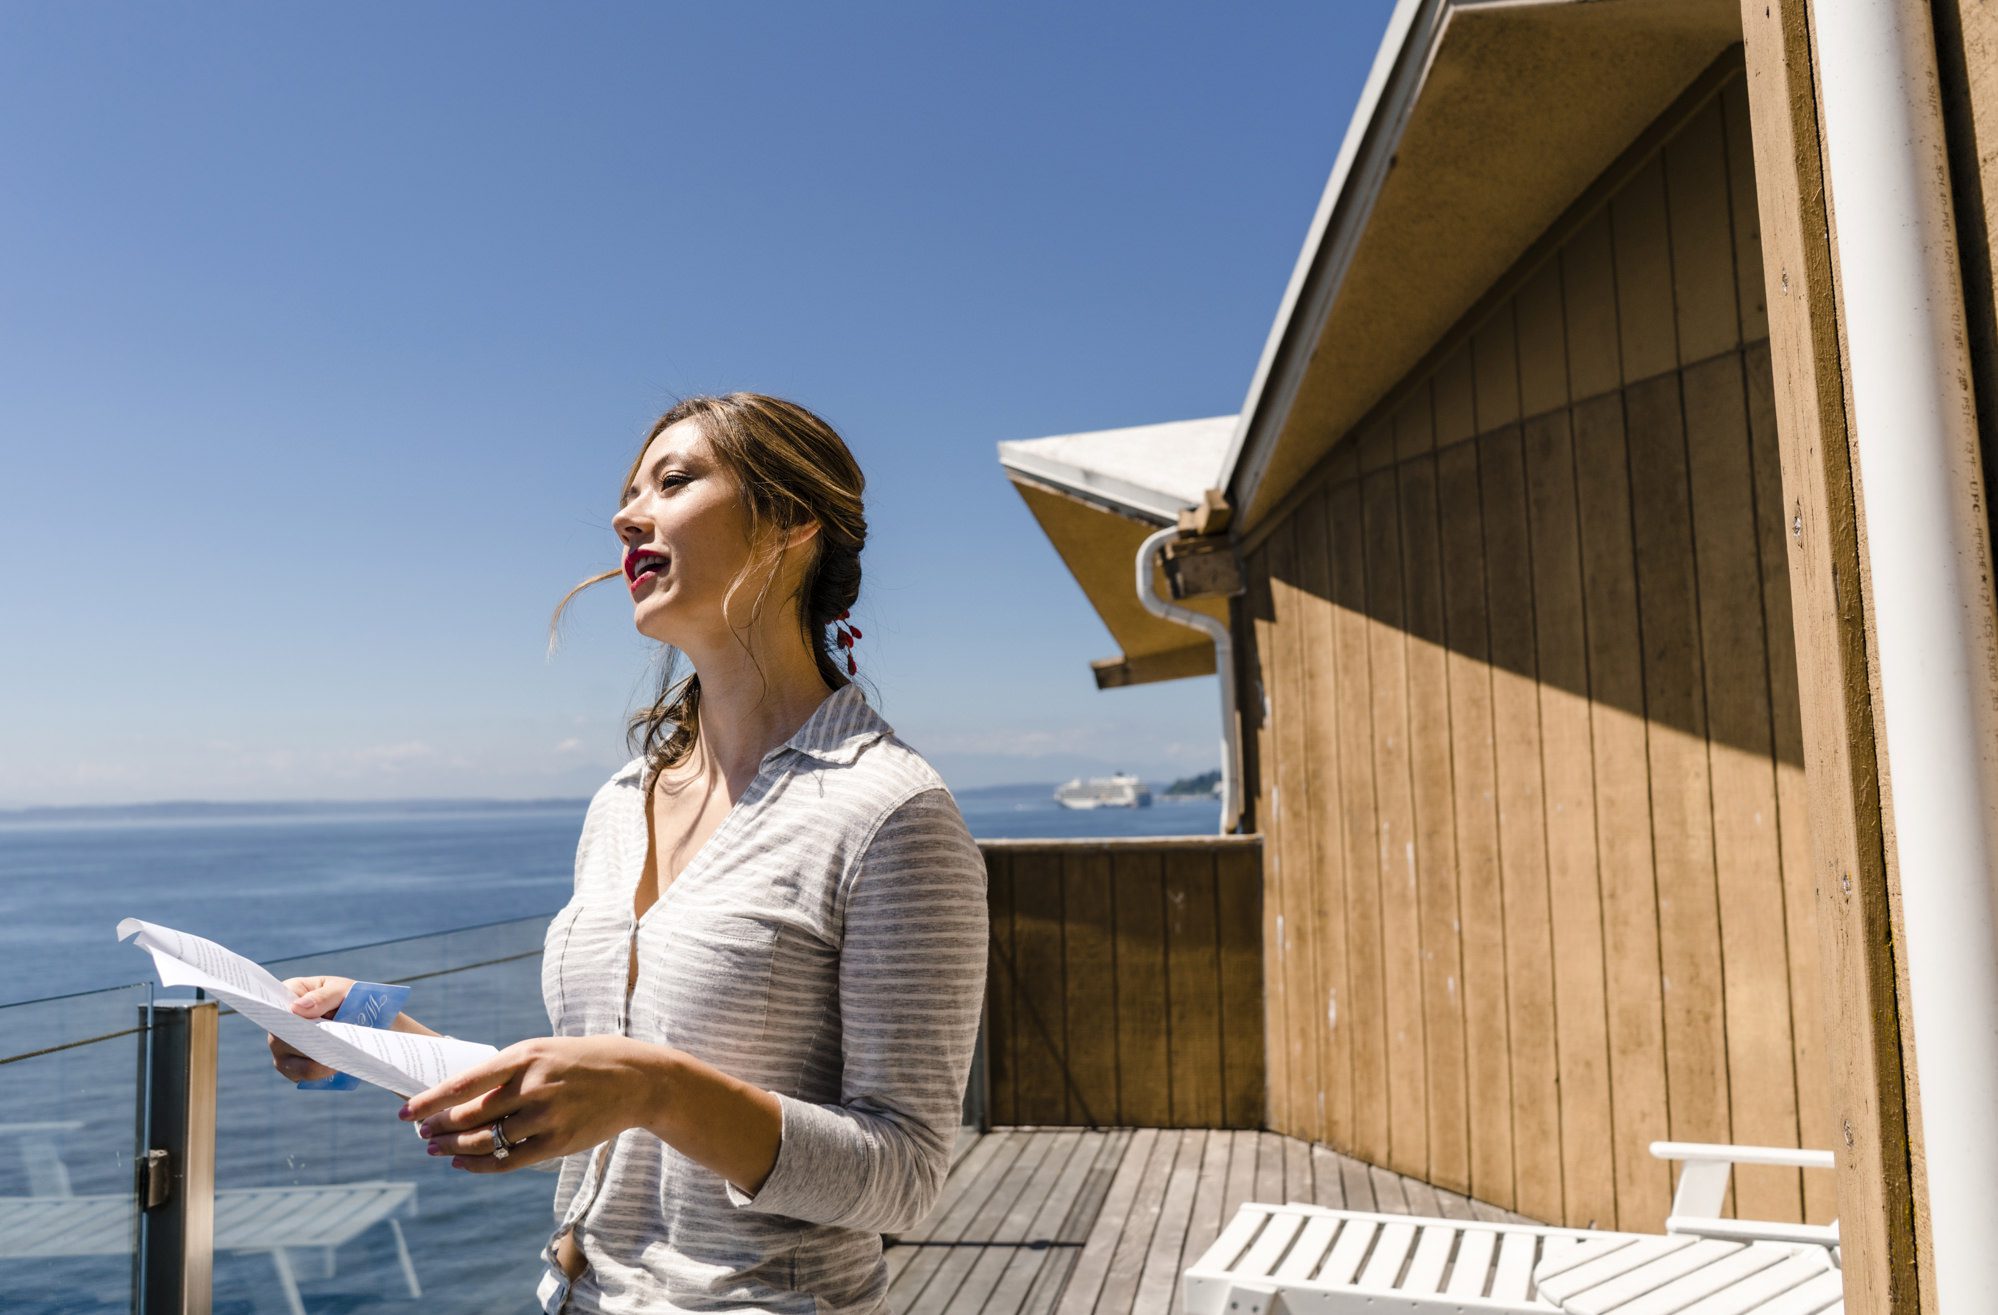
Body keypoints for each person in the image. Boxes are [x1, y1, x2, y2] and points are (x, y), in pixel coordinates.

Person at [265, 393, 991, 1314]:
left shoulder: (891, 810)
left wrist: (655, 1088)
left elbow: (906, 1176)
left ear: (792, 522)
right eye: (627, 491)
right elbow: (599, 1098)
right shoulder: (620, 802)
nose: (623, 514)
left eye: (674, 480)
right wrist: (374, 1032)